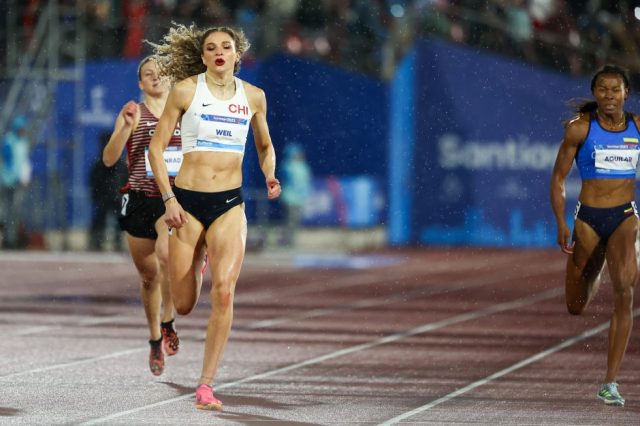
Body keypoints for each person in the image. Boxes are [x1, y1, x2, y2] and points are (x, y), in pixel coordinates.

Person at [148, 23, 281, 410]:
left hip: (229, 206)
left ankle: (205, 386)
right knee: (186, 303)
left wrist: (270, 174)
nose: (219, 52)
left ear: (238, 55)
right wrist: (169, 199)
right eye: (211, 47)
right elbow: (157, 151)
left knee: (224, 291)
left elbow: (265, 145)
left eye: (226, 46)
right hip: (186, 205)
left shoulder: (254, 96)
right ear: (203, 55)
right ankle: (186, 286)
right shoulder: (186, 90)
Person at [550, 64, 638, 407]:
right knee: (575, 306)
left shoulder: (637, 127)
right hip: (588, 218)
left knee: (626, 292)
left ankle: (610, 382)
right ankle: (595, 265)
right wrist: (560, 222)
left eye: (615, 90)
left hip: (624, 217)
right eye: (603, 90)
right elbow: (558, 179)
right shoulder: (579, 130)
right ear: (595, 94)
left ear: (626, 93)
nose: (609, 96)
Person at [102, 56, 183, 377]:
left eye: (161, 73)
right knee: (149, 278)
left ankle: (168, 321)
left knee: (166, 254)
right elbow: (109, 159)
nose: (155, 77)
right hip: (137, 200)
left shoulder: (183, 112)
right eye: (148, 74)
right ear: (140, 83)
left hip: (171, 201)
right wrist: (123, 126)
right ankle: (153, 339)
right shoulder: (134, 114)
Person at [89, 131, 127, 251]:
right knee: (100, 218)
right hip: (104, 197)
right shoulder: (99, 165)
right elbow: (94, 181)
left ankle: (116, 242)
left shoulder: (120, 165)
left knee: (119, 220)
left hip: (116, 197)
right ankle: (97, 242)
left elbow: (126, 180)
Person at [1, 115, 31, 249]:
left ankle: (11, 238)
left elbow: (23, 161)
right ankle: (7, 238)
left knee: (14, 211)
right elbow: (8, 161)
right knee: (6, 210)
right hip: (6, 180)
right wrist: (16, 175)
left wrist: (24, 176)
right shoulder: (9, 141)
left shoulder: (22, 142)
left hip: (16, 181)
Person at [280, 143, 312, 246]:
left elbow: (306, 182)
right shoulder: (287, 165)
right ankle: (286, 240)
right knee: (289, 220)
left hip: (299, 199)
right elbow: (289, 180)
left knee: (295, 221)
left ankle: (289, 240)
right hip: (290, 198)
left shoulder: (304, 166)